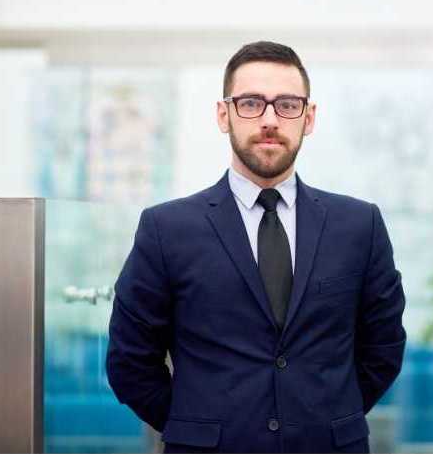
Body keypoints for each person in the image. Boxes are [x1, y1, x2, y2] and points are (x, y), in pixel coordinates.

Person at [106, 40, 406, 453]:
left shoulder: (359, 224)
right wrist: (194, 424)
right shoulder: (166, 228)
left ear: (309, 117)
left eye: (286, 104)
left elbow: (384, 348)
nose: (269, 119)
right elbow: (129, 361)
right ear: (223, 114)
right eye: (250, 103)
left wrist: (331, 416)